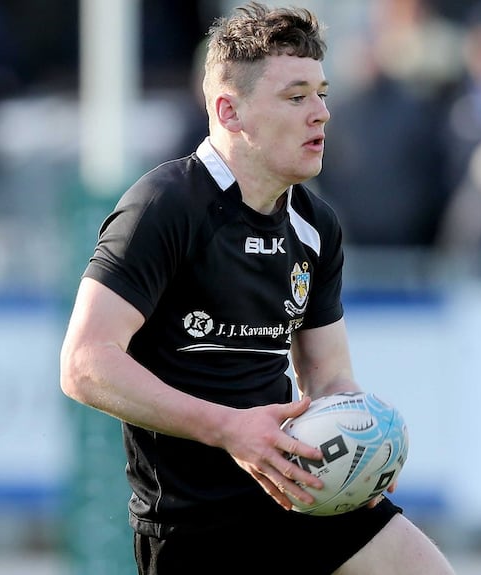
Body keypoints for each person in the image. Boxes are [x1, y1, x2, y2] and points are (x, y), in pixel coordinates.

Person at [60, 3, 455, 574]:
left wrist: (363, 443)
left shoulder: (316, 225)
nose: (320, 113)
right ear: (230, 111)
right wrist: (229, 430)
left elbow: (329, 378)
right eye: (296, 97)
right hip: (194, 527)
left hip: (299, 496)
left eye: (321, 93)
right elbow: (84, 364)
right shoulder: (164, 206)